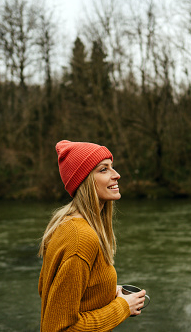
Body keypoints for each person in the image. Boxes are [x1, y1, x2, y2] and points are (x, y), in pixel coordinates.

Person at [38, 140, 147, 331]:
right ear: (84, 181)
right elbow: (59, 328)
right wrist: (122, 307)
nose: (117, 175)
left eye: (112, 167)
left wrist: (106, 291)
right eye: (103, 170)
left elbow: (61, 293)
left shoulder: (67, 224)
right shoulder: (81, 238)